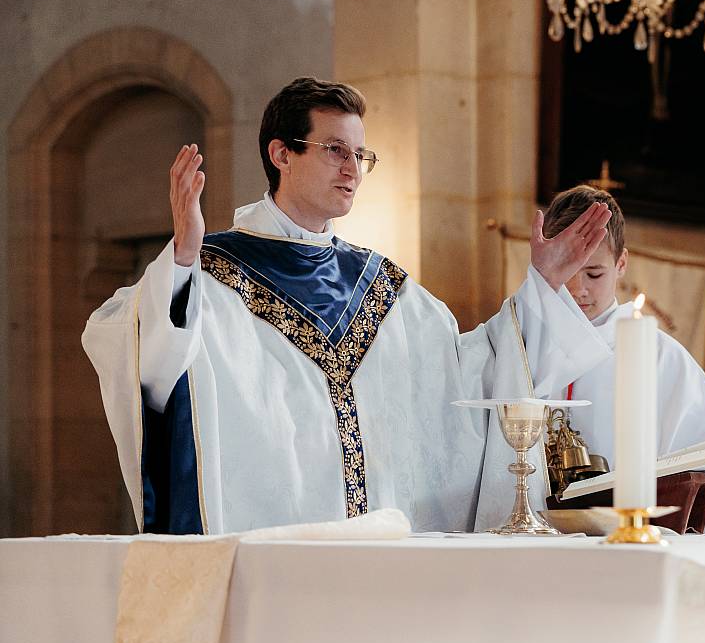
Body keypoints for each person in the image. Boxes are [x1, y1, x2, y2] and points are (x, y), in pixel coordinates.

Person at [83, 77, 614, 534]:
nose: (353, 170)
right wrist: (181, 258)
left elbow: (469, 378)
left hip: (379, 568)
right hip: (274, 565)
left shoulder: (386, 288)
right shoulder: (212, 274)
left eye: (360, 155)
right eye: (335, 150)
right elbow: (138, 355)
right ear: (281, 154)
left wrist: (543, 285)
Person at [541, 185, 705, 531]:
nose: (578, 289)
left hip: (627, 542)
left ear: (621, 263)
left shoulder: (661, 358)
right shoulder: (521, 347)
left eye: (594, 273)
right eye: (567, 270)